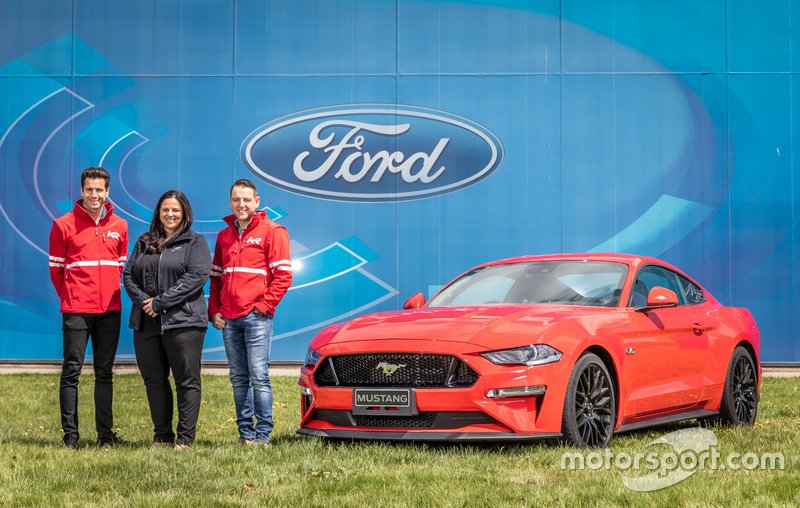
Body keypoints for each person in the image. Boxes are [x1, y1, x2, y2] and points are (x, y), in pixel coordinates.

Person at [123, 190, 211, 450]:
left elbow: (196, 276)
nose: (170, 214)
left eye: (175, 210)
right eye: (165, 209)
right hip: (146, 322)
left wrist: (161, 302)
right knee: (154, 380)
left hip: (183, 322)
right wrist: (144, 303)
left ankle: (184, 439)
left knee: (186, 381)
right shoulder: (144, 241)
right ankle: (162, 436)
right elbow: (128, 276)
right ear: (158, 213)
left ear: (184, 213)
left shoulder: (195, 242)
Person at [48, 167, 128, 448]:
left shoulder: (120, 226)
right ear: (81, 191)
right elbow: (56, 270)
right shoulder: (63, 224)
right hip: (76, 311)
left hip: (110, 310)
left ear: (107, 192)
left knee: (104, 373)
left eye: (99, 190)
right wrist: (72, 297)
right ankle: (71, 437)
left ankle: (105, 436)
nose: (94, 195)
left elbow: (120, 266)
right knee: (72, 372)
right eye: (89, 190)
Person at [209, 179, 292, 446]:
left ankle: (263, 434)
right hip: (229, 318)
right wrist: (214, 310)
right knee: (238, 377)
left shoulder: (273, 231)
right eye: (236, 199)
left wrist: (263, 307)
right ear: (230, 202)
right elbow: (216, 277)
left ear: (257, 201)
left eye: (246, 200)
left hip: (256, 317)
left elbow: (283, 276)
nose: (241, 204)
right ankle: (245, 434)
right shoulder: (224, 236)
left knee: (259, 375)